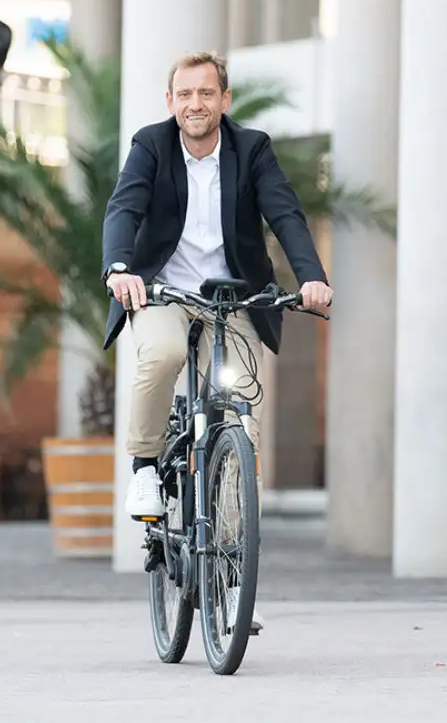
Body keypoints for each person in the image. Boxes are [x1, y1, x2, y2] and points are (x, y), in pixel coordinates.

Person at [100, 52, 332, 629]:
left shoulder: (251, 149)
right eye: (184, 95)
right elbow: (124, 208)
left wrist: (311, 276)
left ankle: (226, 567)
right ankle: (146, 468)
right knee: (164, 353)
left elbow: (286, 214)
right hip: (163, 292)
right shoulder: (152, 146)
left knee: (241, 416)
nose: (195, 105)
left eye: (206, 94)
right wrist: (119, 268)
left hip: (232, 296)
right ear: (171, 101)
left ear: (224, 100)